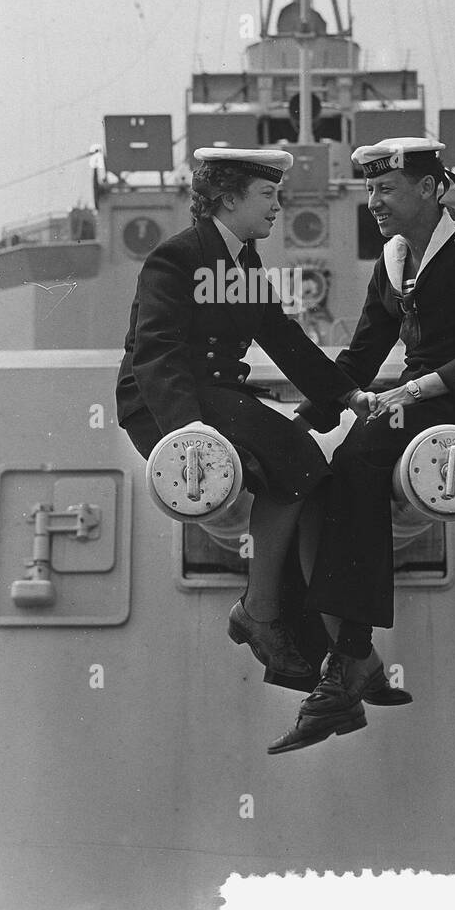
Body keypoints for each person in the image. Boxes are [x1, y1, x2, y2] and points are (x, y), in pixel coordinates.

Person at [267, 137, 455, 754]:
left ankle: (346, 665)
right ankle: (353, 661)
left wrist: (418, 389)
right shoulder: (395, 259)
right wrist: (309, 413)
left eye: (386, 189)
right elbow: (361, 355)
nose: (374, 202)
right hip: (411, 403)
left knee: (357, 463)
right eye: (370, 190)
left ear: (431, 188)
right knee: (324, 477)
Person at [116, 147, 380, 682]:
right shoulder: (178, 256)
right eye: (267, 195)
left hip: (213, 397)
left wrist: (345, 395)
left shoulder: (242, 260)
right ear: (228, 198)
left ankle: (297, 626)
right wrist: (186, 427)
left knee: (309, 477)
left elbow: (282, 339)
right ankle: (262, 615)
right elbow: (156, 351)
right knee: (301, 464)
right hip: (167, 403)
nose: (277, 207)